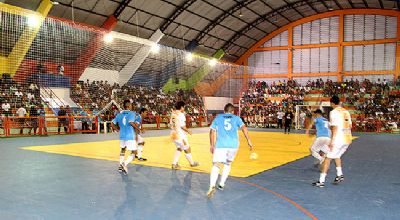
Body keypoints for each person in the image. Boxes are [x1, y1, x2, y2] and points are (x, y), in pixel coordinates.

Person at [207, 103, 253, 198]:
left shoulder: (218, 118)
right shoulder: (236, 118)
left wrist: (211, 145)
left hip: (221, 145)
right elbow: (244, 128)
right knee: (227, 164)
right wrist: (249, 140)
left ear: (224, 111)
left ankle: (212, 185)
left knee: (216, 165)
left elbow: (212, 131)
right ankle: (222, 183)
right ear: (233, 111)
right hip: (233, 145)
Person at [312, 95, 352, 187]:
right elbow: (350, 126)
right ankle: (339, 174)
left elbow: (335, 127)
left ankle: (321, 181)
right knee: (336, 155)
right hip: (347, 139)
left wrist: (332, 142)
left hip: (338, 139)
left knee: (327, 159)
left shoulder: (333, 112)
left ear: (332, 103)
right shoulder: (346, 111)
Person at [110, 100, 140, 175]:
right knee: (134, 152)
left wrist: (117, 129)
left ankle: (120, 166)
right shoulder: (132, 113)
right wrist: (139, 129)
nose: (132, 106)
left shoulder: (119, 114)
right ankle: (124, 164)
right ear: (129, 105)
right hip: (129, 136)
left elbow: (112, 123)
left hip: (122, 136)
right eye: (131, 105)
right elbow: (131, 122)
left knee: (123, 150)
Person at [170, 101, 199, 169]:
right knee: (187, 148)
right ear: (181, 107)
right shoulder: (181, 114)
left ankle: (174, 164)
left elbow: (171, 124)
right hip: (180, 135)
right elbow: (182, 126)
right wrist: (188, 131)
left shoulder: (173, 113)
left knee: (179, 148)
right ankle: (192, 163)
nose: (184, 108)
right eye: (184, 107)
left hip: (173, 134)